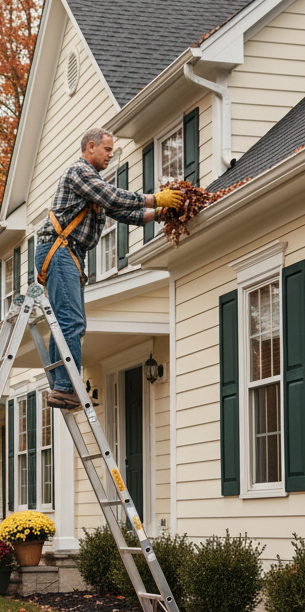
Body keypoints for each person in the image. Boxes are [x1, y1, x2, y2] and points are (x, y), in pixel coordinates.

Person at [35, 127, 182, 410]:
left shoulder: (92, 185)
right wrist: (155, 197)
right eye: (107, 149)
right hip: (59, 250)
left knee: (71, 323)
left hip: (69, 254)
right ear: (90, 147)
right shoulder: (80, 172)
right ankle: (66, 387)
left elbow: (124, 212)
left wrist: (161, 212)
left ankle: (61, 387)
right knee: (71, 321)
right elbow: (114, 197)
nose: (111, 154)